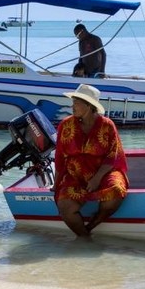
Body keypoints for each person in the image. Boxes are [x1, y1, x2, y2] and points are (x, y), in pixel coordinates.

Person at [54, 84, 128, 237]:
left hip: (103, 173)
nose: (72, 106)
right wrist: (56, 184)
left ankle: (93, 223)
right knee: (64, 205)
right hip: (75, 176)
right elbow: (60, 157)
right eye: (73, 102)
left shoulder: (107, 125)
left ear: (89, 106)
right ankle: (84, 237)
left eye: (77, 103)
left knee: (116, 190)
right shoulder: (65, 125)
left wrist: (97, 178)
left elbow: (112, 155)